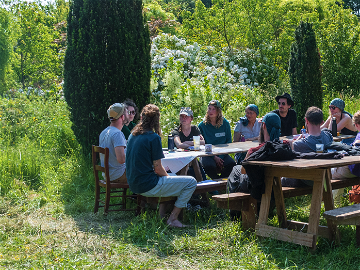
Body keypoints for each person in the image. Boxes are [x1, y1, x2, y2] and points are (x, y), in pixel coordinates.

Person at [126, 104, 197, 228]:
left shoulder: (133, 135)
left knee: (171, 176)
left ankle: (162, 215)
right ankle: (173, 218)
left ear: (142, 118)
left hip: (133, 184)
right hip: (148, 185)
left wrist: (167, 176)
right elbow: (158, 168)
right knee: (191, 182)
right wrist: (168, 177)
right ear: (156, 121)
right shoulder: (153, 137)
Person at [198, 100, 236, 179]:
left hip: (223, 153)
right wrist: (214, 157)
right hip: (207, 154)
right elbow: (202, 144)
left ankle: (221, 184)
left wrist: (221, 157)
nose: (210, 111)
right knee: (209, 166)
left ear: (218, 111)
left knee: (231, 164)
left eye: (213, 109)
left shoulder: (225, 123)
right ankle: (214, 187)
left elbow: (228, 141)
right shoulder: (202, 125)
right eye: (209, 109)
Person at [171, 107, 206, 181]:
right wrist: (195, 144)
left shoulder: (194, 129)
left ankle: (205, 187)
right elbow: (179, 145)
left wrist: (187, 143)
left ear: (191, 118)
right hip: (179, 160)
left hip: (192, 158)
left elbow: (203, 142)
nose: (184, 118)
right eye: (182, 116)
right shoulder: (176, 131)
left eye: (186, 116)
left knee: (198, 168)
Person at [99, 103, 129, 183]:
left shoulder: (104, 132)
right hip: (118, 175)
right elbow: (121, 159)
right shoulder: (117, 134)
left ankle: (135, 195)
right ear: (122, 117)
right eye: (127, 113)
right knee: (145, 174)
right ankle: (138, 195)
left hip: (108, 174)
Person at [331, 110, 360, 179]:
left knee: (328, 173)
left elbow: (356, 148)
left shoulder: (359, 136)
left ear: (356, 124)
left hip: (354, 170)